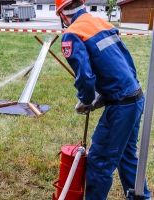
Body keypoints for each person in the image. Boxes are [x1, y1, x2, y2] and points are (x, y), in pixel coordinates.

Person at [55, 0, 152, 200]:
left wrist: (87, 99)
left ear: (62, 15)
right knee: (126, 156)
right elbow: (125, 63)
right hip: (135, 97)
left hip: (120, 108)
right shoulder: (102, 23)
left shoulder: (73, 34)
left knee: (99, 162)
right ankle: (141, 197)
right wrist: (104, 96)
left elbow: (86, 77)